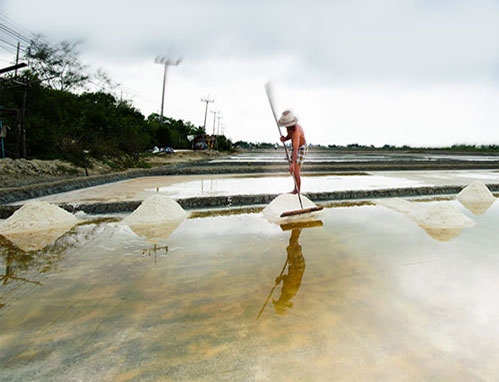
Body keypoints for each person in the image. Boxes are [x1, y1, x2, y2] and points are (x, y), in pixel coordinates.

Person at [278, 110, 306, 194]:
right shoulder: (289, 129)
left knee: (296, 171)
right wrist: (285, 139)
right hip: (295, 149)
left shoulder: (296, 131)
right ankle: (295, 188)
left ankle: (297, 191)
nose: (286, 127)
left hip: (301, 149)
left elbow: (296, 150)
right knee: (292, 171)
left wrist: (293, 163)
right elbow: (289, 136)